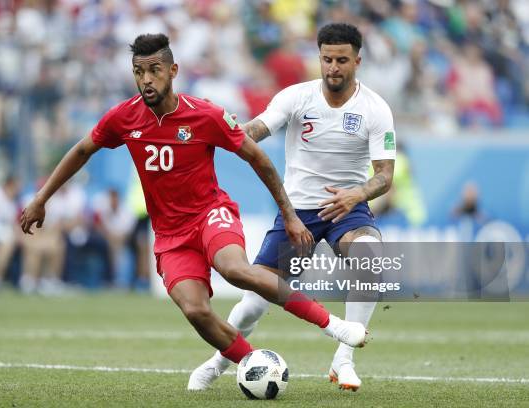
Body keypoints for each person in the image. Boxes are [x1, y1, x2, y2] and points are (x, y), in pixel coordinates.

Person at [20, 33, 367, 379]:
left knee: (236, 271)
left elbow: (258, 158)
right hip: (170, 234)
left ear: (173, 70)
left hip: (210, 214)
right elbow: (82, 150)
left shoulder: (205, 115)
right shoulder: (123, 118)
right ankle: (251, 365)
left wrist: (289, 215)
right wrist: (40, 198)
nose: (146, 80)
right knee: (195, 310)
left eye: (154, 70)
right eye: (138, 72)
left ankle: (331, 324)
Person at [189, 23, 396, 392]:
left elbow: (384, 176)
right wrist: (221, 128)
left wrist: (357, 194)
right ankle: (219, 362)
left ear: (358, 61)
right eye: (327, 59)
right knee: (253, 305)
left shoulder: (375, 109)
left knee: (370, 257)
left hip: (345, 210)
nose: (333, 67)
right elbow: (255, 130)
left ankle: (343, 360)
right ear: (319, 58)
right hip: (296, 213)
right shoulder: (296, 97)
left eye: (342, 60)